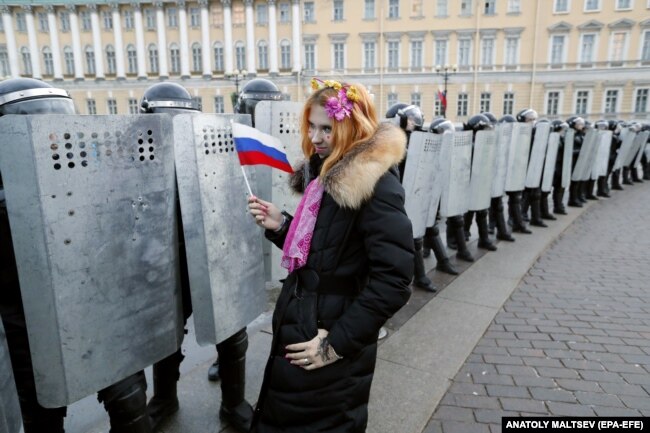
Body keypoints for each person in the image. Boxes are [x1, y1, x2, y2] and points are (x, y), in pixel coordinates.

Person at [247, 78, 413, 432]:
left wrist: (335, 344)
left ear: (352, 128)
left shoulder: (374, 182)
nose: (317, 137)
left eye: (327, 128)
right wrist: (281, 226)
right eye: (312, 126)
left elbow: (395, 280)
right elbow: (326, 249)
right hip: (306, 321)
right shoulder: (326, 174)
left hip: (329, 335)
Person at [0, 78, 151, 433]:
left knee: (129, 399)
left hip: (97, 305)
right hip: (24, 323)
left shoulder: (92, 178)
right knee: (42, 412)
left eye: (59, 129)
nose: (55, 139)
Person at [140, 81, 254, 433]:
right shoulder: (139, 154)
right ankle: (164, 397)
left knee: (231, 328)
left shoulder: (211, 145)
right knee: (166, 335)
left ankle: (233, 403)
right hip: (162, 262)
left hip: (208, 254)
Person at [203, 78, 285, 385]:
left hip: (277, 222)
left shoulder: (283, 134)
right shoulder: (230, 135)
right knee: (229, 300)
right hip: (238, 225)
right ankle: (223, 358)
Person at [385, 102, 436, 292]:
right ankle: (397, 280)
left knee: (416, 239)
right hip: (397, 196)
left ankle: (420, 276)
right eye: (411, 119)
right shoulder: (391, 142)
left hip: (414, 193)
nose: (415, 122)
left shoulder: (418, 139)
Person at [422, 118, 459, 275]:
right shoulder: (422, 142)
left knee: (431, 225)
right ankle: (437, 261)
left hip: (433, 190)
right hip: (418, 192)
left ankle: (433, 254)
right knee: (426, 228)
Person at [462, 114, 497, 252]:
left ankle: (484, 239)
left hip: (480, 180)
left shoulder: (484, 142)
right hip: (469, 181)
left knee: (482, 210)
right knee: (468, 211)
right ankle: (463, 234)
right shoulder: (467, 142)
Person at [488, 115, 516, 242]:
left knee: (498, 205)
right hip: (486, 178)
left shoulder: (501, 138)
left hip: (496, 176)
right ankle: (491, 228)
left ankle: (501, 231)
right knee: (481, 210)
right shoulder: (485, 139)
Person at [550, 119, 570, 215]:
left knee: (561, 187)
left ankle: (559, 206)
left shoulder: (562, 138)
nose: (563, 130)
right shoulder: (553, 138)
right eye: (562, 128)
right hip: (554, 166)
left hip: (561, 166)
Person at [566, 116, 586, 207]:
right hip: (573, 161)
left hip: (579, 160)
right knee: (574, 181)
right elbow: (568, 150)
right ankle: (572, 199)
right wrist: (580, 151)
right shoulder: (570, 135)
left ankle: (577, 197)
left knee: (578, 181)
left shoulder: (580, 134)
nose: (581, 125)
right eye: (579, 124)